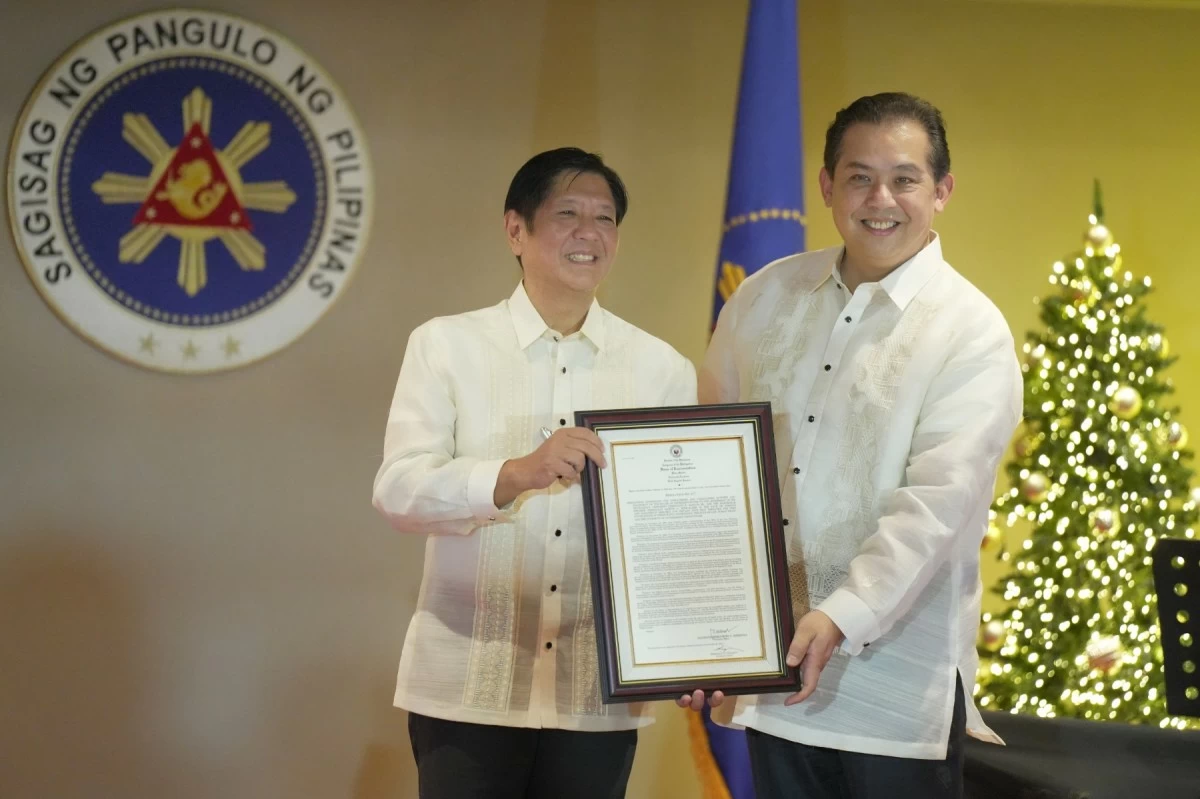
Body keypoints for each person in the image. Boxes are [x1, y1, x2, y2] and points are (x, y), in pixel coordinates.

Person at [682, 92, 1022, 798]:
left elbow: (936, 505)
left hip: (894, 696)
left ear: (942, 191)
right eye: (860, 176)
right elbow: (710, 459)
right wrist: (707, 625)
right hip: (777, 678)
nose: (880, 198)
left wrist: (840, 614)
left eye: (905, 178)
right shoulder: (764, 296)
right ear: (827, 186)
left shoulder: (970, 331)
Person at [373, 147, 697, 799]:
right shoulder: (445, 345)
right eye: (568, 214)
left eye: (604, 219)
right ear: (515, 229)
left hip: (595, 693)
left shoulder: (662, 369)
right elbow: (399, 491)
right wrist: (513, 474)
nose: (589, 233)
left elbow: (674, 534)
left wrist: (693, 648)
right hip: (467, 687)